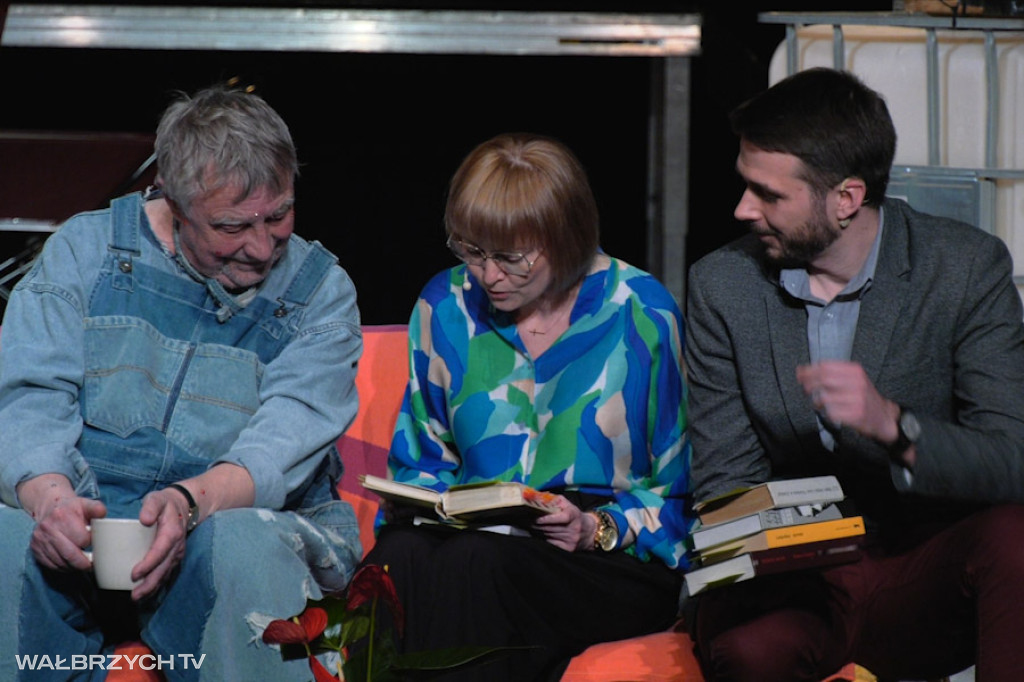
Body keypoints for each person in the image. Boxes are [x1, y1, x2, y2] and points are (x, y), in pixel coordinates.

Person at [0, 85, 363, 681]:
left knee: (243, 545)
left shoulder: (319, 295)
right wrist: (51, 499)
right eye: (230, 226)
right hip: (81, 539)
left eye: (279, 215)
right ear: (172, 200)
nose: (261, 247)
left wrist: (189, 505)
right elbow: (29, 397)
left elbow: (281, 445)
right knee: (6, 538)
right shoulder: (84, 252)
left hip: (218, 534)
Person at [685, 66, 1024, 682]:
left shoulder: (964, 268)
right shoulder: (724, 285)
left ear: (846, 198)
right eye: (745, 185)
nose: (742, 209)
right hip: (796, 580)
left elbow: (1011, 460)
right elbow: (725, 481)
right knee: (748, 648)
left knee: (1015, 539)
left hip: (919, 568)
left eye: (768, 194)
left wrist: (895, 427)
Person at [361, 132, 692, 681]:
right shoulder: (446, 304)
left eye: (511, 258)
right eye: (473, 251)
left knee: (478, 566)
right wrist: (414, 501)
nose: (489, 275)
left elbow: (679, 493)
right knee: (398, 562)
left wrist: (595, 527)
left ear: (567, 238)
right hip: (475, 532)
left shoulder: (642, 311)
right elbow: (422, 458)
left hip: (600, 552)